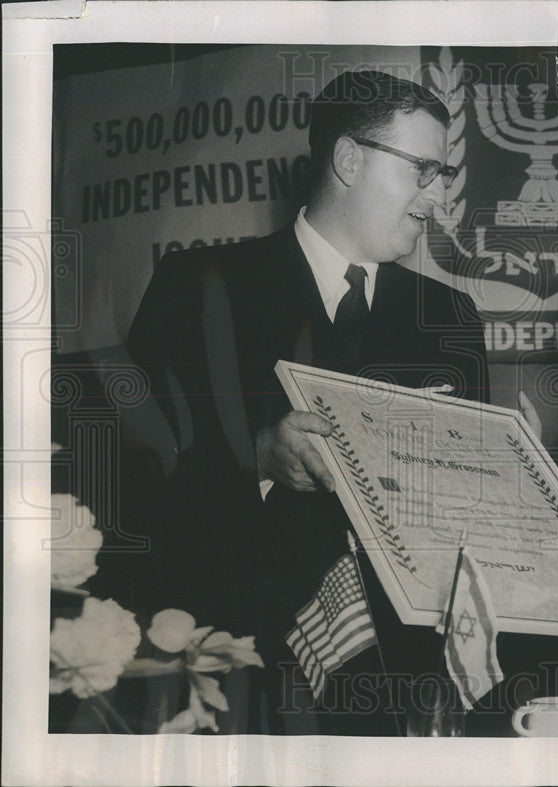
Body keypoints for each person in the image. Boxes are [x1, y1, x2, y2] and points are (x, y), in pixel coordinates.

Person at [123, 71, 492, 733]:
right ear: (349, 159)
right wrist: (258, 459)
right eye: (424, 170)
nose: (437, 199)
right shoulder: (196, 289)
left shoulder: (451, 317)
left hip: (400, 698)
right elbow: (132, 495)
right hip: (242, 687)